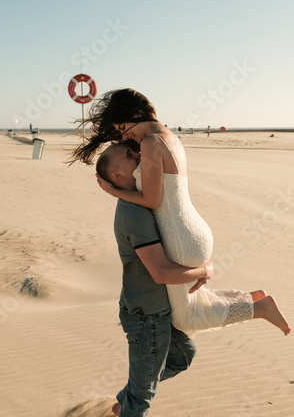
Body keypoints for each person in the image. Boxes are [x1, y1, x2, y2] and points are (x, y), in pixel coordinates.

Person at [68, 88, 290, 338]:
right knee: (194, 301)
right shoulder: (168, 137)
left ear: (137, 114)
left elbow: (152, 200)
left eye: (123, 127)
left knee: (186, 317)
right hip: (190, 231)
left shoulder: (152, 142)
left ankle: (258, 308)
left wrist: (113, 191)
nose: (124, 135)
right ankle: (251, 299)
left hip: (181, 238)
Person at [94, 143, 214, 417]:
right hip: (147, 314)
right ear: (116, 173)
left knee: (183, 356)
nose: (139, 157)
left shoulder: (138, 199)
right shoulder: (133, 212)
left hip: (156, 308)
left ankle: (125, 401)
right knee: (142, 396)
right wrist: (204, 270)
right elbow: (160, 271)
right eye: (131, 156)